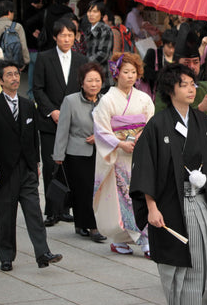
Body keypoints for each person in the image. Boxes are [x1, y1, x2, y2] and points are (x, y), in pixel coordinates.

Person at [130, 63, 207, 305]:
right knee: (185, 266)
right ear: (171, 90)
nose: (192, 89)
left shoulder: (202, 121)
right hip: (173, 206)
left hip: (204, 201)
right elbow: (147, 167)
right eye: (185, 85)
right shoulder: (157, 125)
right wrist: (151, 207)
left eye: (193, 84)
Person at [0, 60, 63, 271]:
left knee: (34, 210)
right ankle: (6, 256)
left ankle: (42, 253)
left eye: (16, 74)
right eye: (9, 75)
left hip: (27, 168)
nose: (15, 78)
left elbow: (34, 137)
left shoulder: (27, 104)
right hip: (4, 168)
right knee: (6, 214)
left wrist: (36, 162)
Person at [92, 52, 154, 257]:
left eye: (133, 72)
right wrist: (119, 144)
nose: (130, 76)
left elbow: (151, 123)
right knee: (124, 199)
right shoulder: (107, 100)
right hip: (118, 157)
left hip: (139, 154)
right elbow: (101, 130)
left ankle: (141, 238)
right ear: (116, 73)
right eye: (126, 72)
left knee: (143, 194)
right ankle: (133, 239)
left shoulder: (144, 98)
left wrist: (141, 137)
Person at [33, 18, 88, 226]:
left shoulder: (81, 59)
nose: (67, 39)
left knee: (70, 165)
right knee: (50, 165)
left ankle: (66, 207)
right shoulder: (44, 58)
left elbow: (85, 89)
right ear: (55, 37)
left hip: (74, 122)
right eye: (63, 35)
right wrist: (52, 111)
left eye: (70, 35)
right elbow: (37, 88)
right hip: (50, 121)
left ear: (75, 37)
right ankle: (51, 210)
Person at [52, 62, 106, 243]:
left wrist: (98, 136)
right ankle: (93, 227)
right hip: (76, 153)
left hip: (100, 153)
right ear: (81, 83)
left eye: (97, 80)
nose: (93, 84)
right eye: (89, 80)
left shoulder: (105, 101)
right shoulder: (70, 101)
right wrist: (58, 156)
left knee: (95, 191)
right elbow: (62, 129)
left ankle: (81, 224)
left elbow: (111, 127)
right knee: (83, 190)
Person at [153, 31, 207, 131]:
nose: (191, 67)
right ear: (176, 63)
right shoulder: (167, 89)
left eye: (196, 62)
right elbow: (161, 124)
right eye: (186, 62)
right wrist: (200, 110)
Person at [143, 28, 179, 94]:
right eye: (169, 47)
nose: (172, 50)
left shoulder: (179, 57)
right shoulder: (152, 54)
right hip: (155, 93)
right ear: (162, 43)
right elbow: (145, 72)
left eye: (174, 47)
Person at [0, 0, 30, 69]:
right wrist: (26, 61)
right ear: (9, 12)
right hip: (12, 64)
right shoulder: (17, 27)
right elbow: (23, 47)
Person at [85, 1, 114, 74]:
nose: (91, 14)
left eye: (95, 12)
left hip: (102, 73)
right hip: (89, 71)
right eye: (89, 11)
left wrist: (84, 62)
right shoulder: (88, 29)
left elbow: (103, 54)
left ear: (101, 14)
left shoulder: (105, 30)